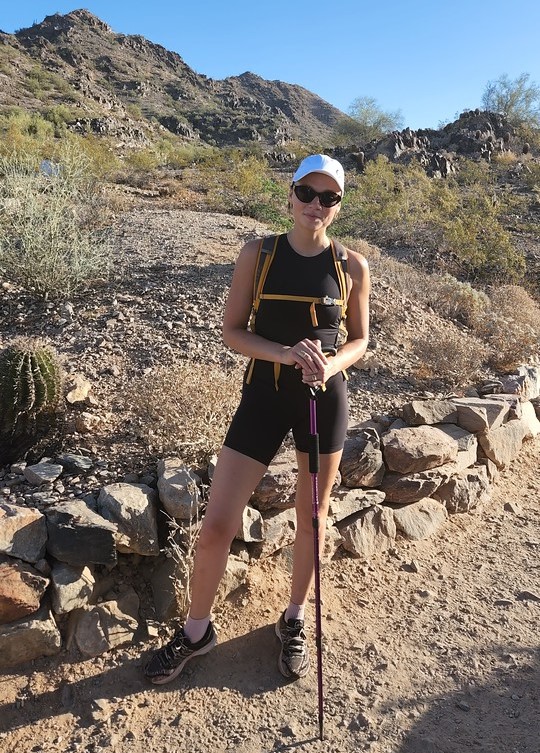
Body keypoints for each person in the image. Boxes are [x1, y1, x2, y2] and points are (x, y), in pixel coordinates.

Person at [144, 154, 370, 685]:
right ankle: (197, 631)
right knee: (218, 523)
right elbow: (232, 330)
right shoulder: (258, 254)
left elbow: (360, 339)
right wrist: (287, 354)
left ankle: (293, 619)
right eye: (307, 193)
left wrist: (328, 363)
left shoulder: (351, 265)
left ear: (337, 206)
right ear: (290, 196)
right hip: (263, 397)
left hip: (324, 397)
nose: (316, 205)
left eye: (328, 197)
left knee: (312, 518)